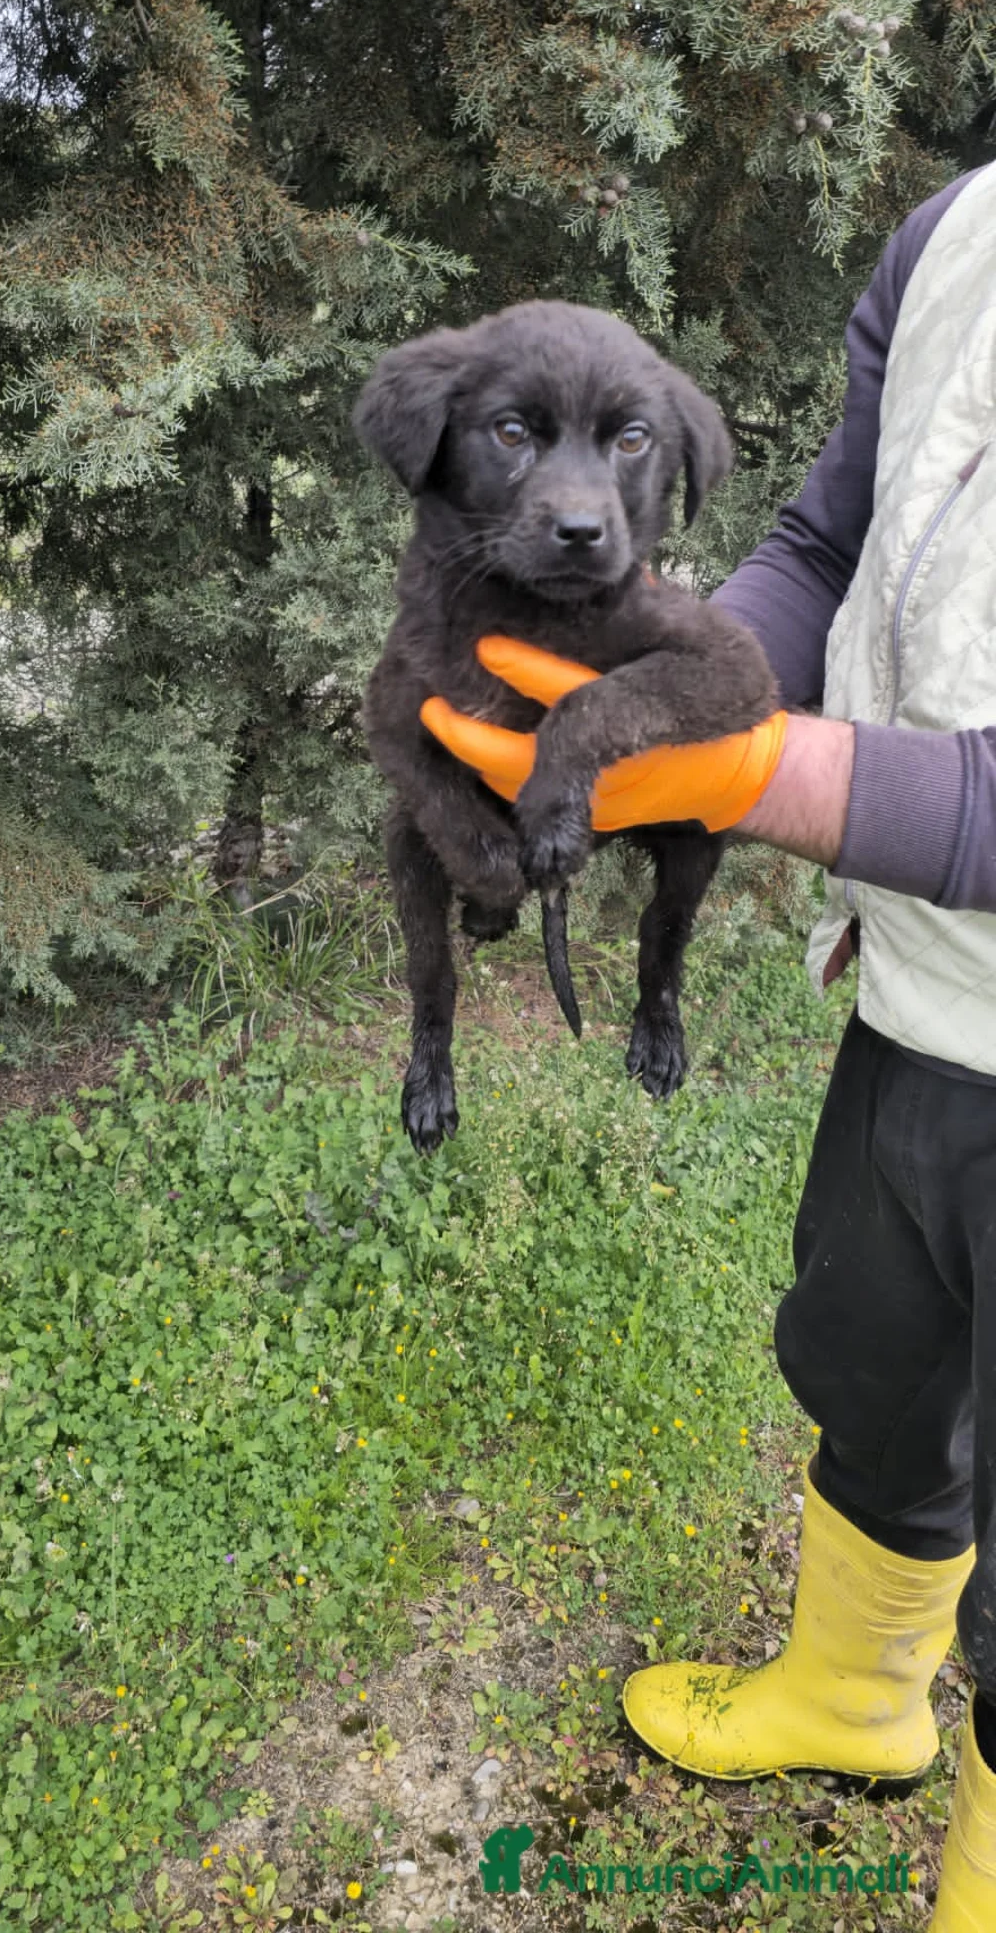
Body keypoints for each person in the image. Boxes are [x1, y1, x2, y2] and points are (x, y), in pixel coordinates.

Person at [420, 159, 996, 1930]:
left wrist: (766, 772)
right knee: (871, 1358)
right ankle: (851, 1694)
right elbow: (825, 539)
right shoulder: (963, 228)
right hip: (923, 986)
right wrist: (659, 692)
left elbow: (782, 758)